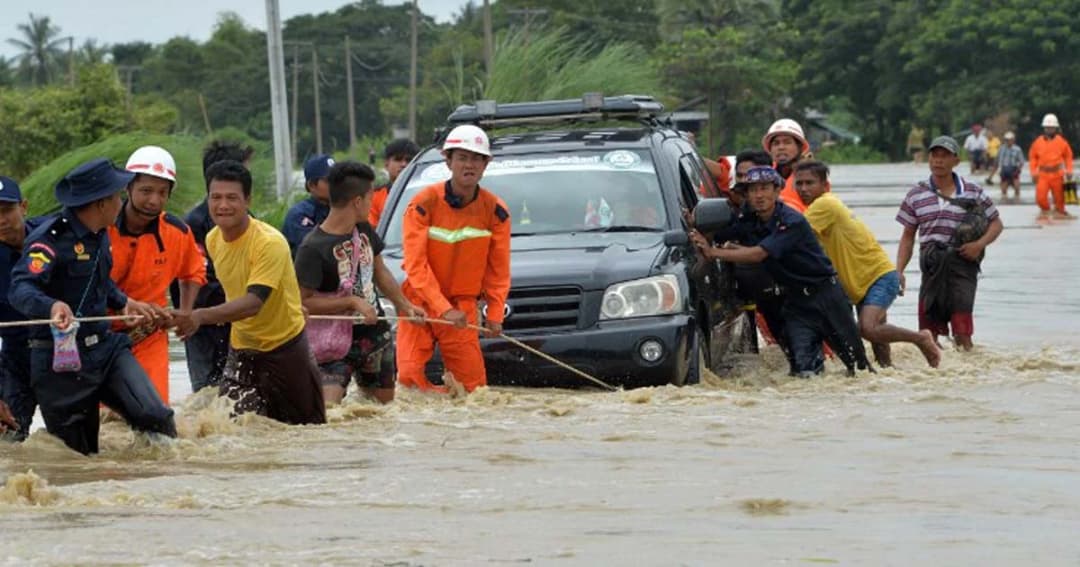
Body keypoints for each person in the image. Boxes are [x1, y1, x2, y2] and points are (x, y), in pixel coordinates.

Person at [8, 159, 176, 455]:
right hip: (60, 364)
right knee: (79, 459)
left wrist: (125, 302)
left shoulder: (100, 234)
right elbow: (20, 289)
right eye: (117, 196)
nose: (121, 202)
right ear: (100, 203)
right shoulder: (48, 242)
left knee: (157, 418)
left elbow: (100, 282)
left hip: (106, 349)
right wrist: (52, 306)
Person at [171, 161, 325, 425]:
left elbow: (254, 302)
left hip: (285, 348)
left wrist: (198, 316)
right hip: (242, 349)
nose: (223, 206)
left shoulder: (269, 242)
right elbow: (234, 289)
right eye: (215, 197)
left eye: (232, 198)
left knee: (306, 432)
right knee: (230, 429)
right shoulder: (212, 239)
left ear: (247, 200)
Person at [690, 166, 870, 378]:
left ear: (777, 191)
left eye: (765, 188)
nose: (759, 195)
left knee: (858, 366)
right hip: (797, 304)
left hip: (827, 297)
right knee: (803, 369)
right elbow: (720, 234)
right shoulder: (749, 222)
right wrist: (693, 224)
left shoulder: (791, 221)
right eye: (753, 190)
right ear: (746, 195)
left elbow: (758, 254)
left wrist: (712, 253)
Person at [295, 161, 423, 406]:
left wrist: (404, 305)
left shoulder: (363, 229)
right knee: (328, 413)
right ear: (357, 201)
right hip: (331, 343)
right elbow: (302, 302)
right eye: (370, 197)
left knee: (380, 413)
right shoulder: (312, 248)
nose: (372, 203)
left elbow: (380, 270)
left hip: (374, 335)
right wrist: (352, 301)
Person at [396, 124, 511, 393]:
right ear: (448, 161)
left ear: (485, 164)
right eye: (462, 157)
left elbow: (498, 269)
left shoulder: (495, 211)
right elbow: (415, 264)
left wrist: (494, 313)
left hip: (463, 307)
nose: (469, 165)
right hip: (420, 305)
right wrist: (442, 308)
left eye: (476, 158)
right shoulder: (424, 203)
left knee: (474, 392)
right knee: (410, 382)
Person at [795, 161, 941, 368]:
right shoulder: (824, 206)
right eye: (799, 184)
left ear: (825, 186)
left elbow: (793, 235)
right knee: (878, 342)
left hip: (877, 277)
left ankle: (921, 338)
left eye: (809, 183)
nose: (803, 189)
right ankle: (888, 371)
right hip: (864, 281)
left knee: (868, 329)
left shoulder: (824, 204)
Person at [108, 146, 206, 404]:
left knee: (154, 412)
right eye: (146, 191)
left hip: (148, 336)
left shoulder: (177, 232)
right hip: (100, 334)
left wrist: (185, 311)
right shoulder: (101, 227)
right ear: (127, 188)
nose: (154, 200)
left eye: (162, 193)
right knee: (103, 419)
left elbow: (193, 271)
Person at [896, 136, 1004, 351]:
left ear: (956, 160)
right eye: (934, 155)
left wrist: (979, 245)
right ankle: (936, 376)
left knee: (963, 334)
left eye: (944, 156)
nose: (938, 161)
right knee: (928, 334)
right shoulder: (916, 194)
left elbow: (996, 224)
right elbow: (908, 236)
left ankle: (967, 374)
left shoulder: (973, 191)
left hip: (963, 264)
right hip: (931, 266)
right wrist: (899, 270)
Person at [179, 140, 254, 394]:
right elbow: (195, 280)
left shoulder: (253, 224)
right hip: (204, 327)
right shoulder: (193, 225)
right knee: (207, 397)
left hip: (243, 322)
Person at [0, 176, 43, 440]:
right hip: (16, 358)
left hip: (62, 356)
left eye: (6, 210)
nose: (1, 220)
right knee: (9, 442)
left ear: (23, 207)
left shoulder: (51, 237)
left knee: (74, 446)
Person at [283, 154, 334, 256]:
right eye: (329, 180)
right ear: (311, 185)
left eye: (338, 179)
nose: (335, 184)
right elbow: (313, 248)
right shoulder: (298, 214)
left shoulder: (342, 208)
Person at [1028, 113, 1075, 220]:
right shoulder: (1037, 142)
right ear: (1044, 128)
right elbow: (1032, 157)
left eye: (1051, 127)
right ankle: (1046, 213)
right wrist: (1033, 172)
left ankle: (1059, 214)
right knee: (1040, 198)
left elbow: (1068, 157)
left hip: (1057, 174)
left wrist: (1069, 170)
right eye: (1047, 128)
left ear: (1055, 128)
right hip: (1043, 174)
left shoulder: (1062, 142)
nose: (1049, 129)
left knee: (1059, 200)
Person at [762, 119, 812, 212]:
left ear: (799, 147)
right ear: (770, 149)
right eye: (776, 143)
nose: (781, 147)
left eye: (787, 142)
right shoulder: (763, 175)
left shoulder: (813, 175)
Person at [368, 138, 420, 227]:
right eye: (398, 159)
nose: (403, 164)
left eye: (408, 160)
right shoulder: (375, 196)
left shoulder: (426, 193)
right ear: (386, 163)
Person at [997, 132, 1024, 201]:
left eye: (1010, 140)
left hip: (1014, 169)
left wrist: (1018, 170)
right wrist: (999, 170)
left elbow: (1021, 162)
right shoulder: (1001, 148)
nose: (1008, 141)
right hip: (1004, 169)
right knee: (1004, 189)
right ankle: (1004, 199)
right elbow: (999, 160)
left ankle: (1017, 199)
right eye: (1007, 140)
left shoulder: (1017, 149)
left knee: (1016, 187)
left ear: (1013, 140)